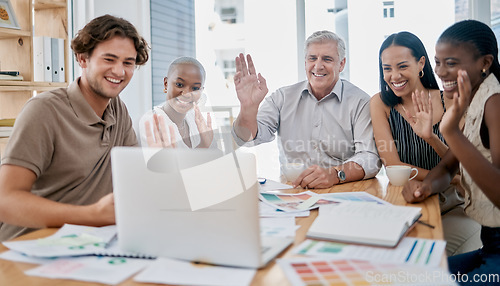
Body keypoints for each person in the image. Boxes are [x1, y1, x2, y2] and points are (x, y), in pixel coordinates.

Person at [0, 14, 149, 241]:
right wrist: (92, 215)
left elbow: (135, 182)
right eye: (109, 59)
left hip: (84, 244)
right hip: (28, 248)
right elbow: (6, 201)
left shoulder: (119, 111)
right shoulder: (44, 110)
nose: (120, 72)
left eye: (128, 63)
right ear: (82, 59)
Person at [402, 20, 500, 281]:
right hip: (490, 246)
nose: (441, 72)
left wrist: (451, 131)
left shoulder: (495, 104)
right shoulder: (473, 100)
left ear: (485, 63)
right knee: (412, 275)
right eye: (438, 62)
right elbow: (448, 166)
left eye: (452, 63)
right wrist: (426, 188)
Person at [370, 31, 481, 256]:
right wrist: (442, 177)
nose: (394, 76)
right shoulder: (380, 104)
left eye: (402, 66)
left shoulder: (450, 99)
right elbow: (392, 166)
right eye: (387, 68)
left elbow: (461, 165)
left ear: (421, 63)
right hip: (407, 203)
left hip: (454, 203)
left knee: (431, 259)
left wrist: (430, 137)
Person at [232, 30, 380, 188]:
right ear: (305, 62)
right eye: (312, 58)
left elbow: (369, 157)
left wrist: (335, 174)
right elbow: (246, 138)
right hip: (293, 193)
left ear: (341, 64)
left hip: (342, 190)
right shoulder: (282, 98)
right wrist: (248, 108)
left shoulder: (360, 102)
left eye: (327, 59)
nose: (318, 65)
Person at [139, 57, 214, 149]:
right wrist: (203, 147)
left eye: (195, 88)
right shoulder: (151, 125)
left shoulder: (197, 122)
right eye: (179, 85)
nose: (186, 94)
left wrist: (205, 144)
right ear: (166, 84)